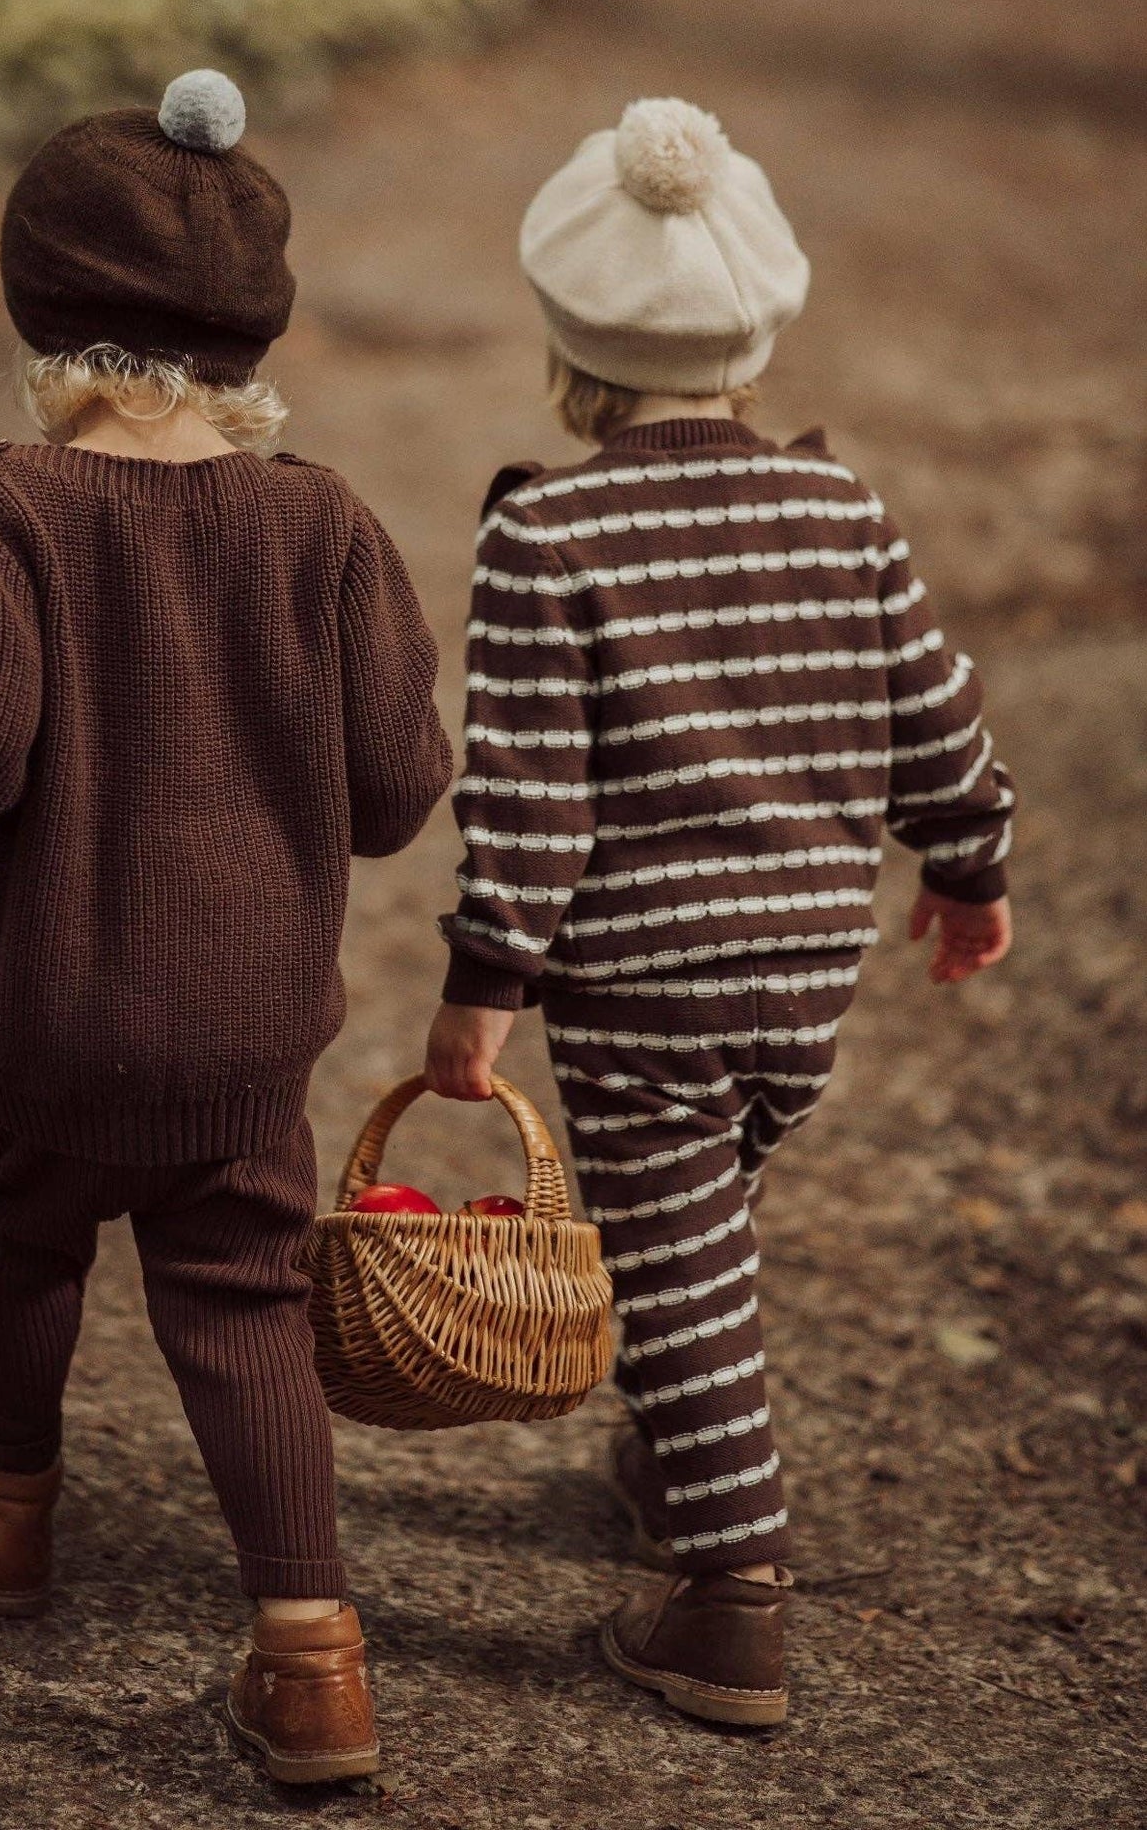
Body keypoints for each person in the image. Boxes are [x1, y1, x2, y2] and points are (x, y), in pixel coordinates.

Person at [0, 68, 453, 1785]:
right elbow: (391, 793)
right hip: (243, 1035)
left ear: (43, 315)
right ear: (249, 342)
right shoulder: (325, 523)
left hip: (45, 1017)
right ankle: (311, 1656)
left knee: (19, 1235)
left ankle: (1, 1503)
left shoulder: (5, 502)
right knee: (238, 1297)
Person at [424, 97, 1013, 1727]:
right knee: (695, 1237)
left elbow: (527, 785)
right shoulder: (844, 510)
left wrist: (483, 980)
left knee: (671, 1244)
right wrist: (968, 866)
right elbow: (935, 716)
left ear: (571, 342)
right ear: (759, 331)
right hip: (805, 967)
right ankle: (679, 1448)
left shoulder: (545, 529)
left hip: (641, 983)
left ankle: (729, 1600)